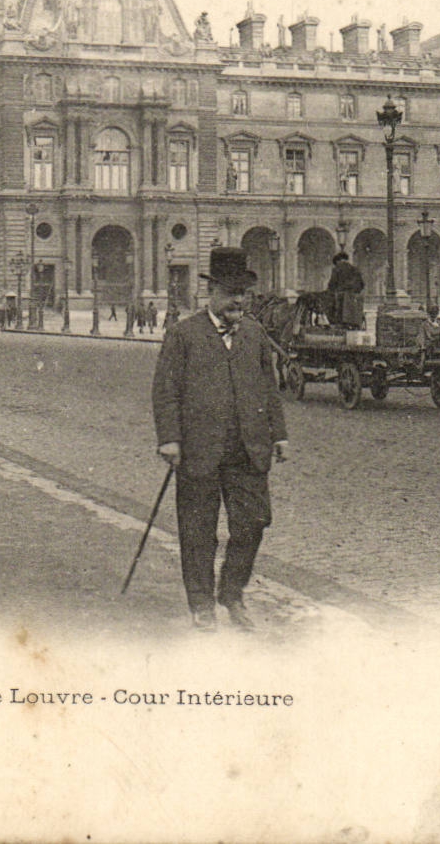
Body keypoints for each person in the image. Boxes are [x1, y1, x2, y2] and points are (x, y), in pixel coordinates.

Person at [152, 246, 289, 632]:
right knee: (198, 530)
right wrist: (169, 439)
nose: (238, 300)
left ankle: (231, 592)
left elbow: (268, 386)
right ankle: (202, 604)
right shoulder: (184, 335)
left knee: (254, 522)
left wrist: (279, 434)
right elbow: (165, 391)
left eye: (243, 293)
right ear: (211, 293)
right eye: (231, 292)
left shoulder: (256, 334)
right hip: (199, 450)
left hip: (249, 448)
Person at [326, 251, 366, 328]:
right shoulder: (355, 269)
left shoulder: (337, 268)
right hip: (355, 300)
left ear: (338, 261)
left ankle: (335, 324)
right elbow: (362, 285)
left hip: (342, 299)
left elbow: (332, 284)